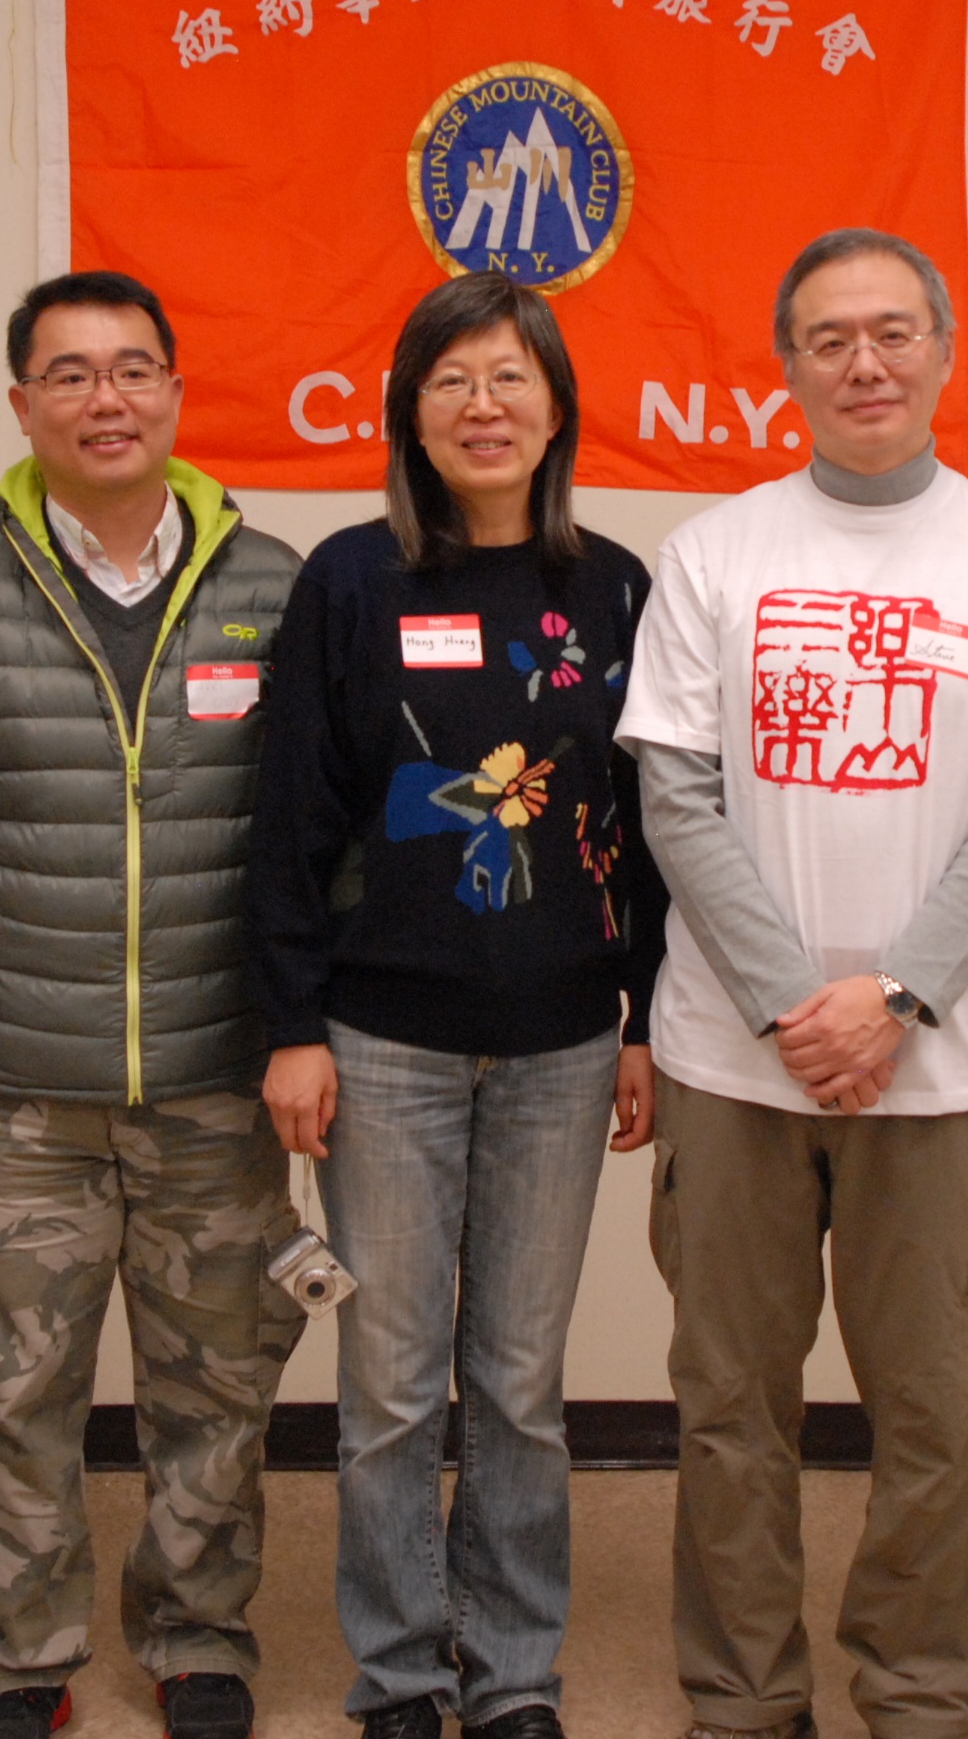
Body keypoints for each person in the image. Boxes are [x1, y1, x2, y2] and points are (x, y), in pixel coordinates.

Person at [618, 229, 968, 1739]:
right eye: (829, 339)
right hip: (732, 1058)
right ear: (787, 368)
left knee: (936, 1409)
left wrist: (893, 1000)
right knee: (730, 1405)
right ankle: (743, 1692)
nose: (864, 363)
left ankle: (923, 1686)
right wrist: (789, 1004)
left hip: (938, 1067)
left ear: (944, 352)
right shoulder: (716, 554)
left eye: (894, 332)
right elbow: (675, 798)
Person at [0, 272, 308, 1739]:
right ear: (21, 405)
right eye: (68, 374)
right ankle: (21, 1663)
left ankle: (199, 1639)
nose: (103, 399)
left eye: (131, 370)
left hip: (218, 1078)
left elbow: (317, 831)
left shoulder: (274, 589)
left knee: (220, 1383)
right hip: (14, 1090)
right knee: (8, 1386)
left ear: (176, 392)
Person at [244, 271, 670, 1739]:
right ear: (410, 414)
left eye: (511, 378)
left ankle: (514, 1671)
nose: (484, 407)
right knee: (388, 1383)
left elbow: (648, 823)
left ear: (556, 407)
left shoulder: (616, 589)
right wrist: (291, 1026)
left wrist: (643, 1018)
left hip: (565, 1040)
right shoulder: (351, 580)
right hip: (382, 1042)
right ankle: (401, 1672)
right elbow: (292, 821)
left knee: (520, 1384)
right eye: (452, 381)